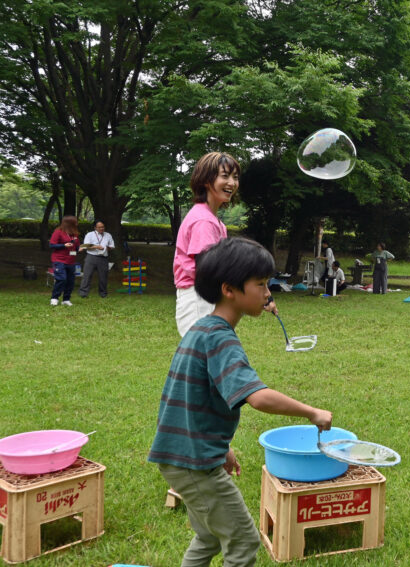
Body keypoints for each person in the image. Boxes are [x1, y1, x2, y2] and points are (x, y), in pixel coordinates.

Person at [149, 237, 333, 566]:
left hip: (184, 455)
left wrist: (221, 447)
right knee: (245, 543)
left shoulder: (202, 330)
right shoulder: (220, 338)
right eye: (260, 284)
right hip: (194, 464)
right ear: (229, 289)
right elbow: (258, 397)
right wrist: (311, 412)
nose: (267, 293)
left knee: (208, 536)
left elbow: (197, 399)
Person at [174, 152, 277, 336]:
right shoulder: (203, 221)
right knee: (206, 354)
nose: (232, 183)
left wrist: (261, 295)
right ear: (206, 180)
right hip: (199, 297)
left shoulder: (213, 220)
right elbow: (207, 268)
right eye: (225, 176)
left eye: (235, 177)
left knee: (211, 355)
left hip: (206, 296)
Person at [49, 215, 80, 306]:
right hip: (59, 260)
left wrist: (80, 248)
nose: (77, 224)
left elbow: (76, 247)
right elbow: (52, 245)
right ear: (69, 223)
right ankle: (54, 298)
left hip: (71, 260)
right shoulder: (58, 232)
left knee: (70, 281)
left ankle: (66, 299)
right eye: (75, 222)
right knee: (62, 279)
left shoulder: (75, 234)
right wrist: (63, 245)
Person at [78, 220, 115, 298]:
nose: (102, 228)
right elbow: (85, 245)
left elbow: (112, 246)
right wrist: (97, 247)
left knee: (103, 276)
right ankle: (83, 294)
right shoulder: (90, 234)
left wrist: (106, 248)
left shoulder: (108, 235)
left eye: (103, 227)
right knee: (87, 275)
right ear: (95, 227)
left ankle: (103, 293)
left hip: (103, 257)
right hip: (91, 257)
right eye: (99, 227)